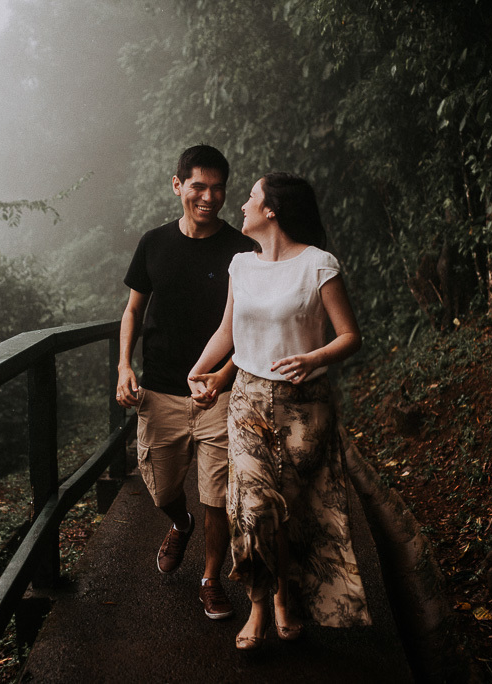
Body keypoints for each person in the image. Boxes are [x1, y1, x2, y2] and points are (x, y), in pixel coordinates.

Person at [188, 172, 372, 650]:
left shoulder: (318, 265)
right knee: (253, 509)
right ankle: (257, 606)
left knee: (285, 512)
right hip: (247, 398)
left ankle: (285, 596)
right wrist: (200, 371)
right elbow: (227, 331)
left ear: (272, 210)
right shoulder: (240, 266)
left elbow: (350, 336)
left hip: (305, 408)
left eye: (251, 197)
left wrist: (315, 358)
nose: (242, 205)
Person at [116, 144, 255, 620]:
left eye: (218, 189)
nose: (209, 197)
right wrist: (123, 367)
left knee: (217, 497)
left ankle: (210, 579)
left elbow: (251, 327)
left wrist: (224, 375)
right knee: (162, 488)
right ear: (177, 186)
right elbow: (133, 310)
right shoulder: (154, 243)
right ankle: (180, 522)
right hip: (159, 389)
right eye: (198, 186)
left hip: (219, 391)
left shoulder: (242, 250)